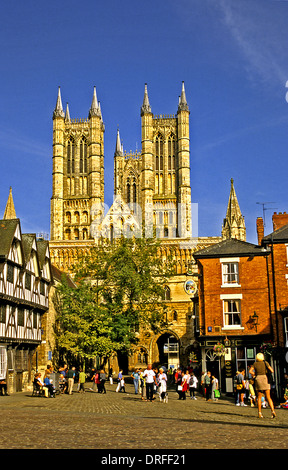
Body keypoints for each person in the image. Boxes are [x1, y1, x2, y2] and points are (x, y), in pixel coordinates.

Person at [249, 353, 276, 419]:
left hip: (258, 379)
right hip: (265, 378)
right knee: (268, 396)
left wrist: (255, 374)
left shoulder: (255, 364)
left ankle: (260, 413)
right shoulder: (265, 363)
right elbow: (272, 370)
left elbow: (250, 371)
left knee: (259, 396)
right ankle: (272, 411)